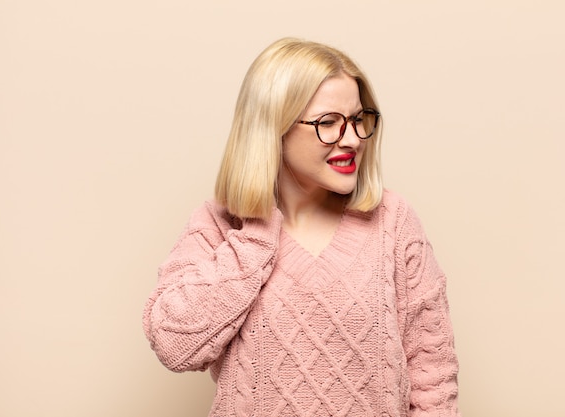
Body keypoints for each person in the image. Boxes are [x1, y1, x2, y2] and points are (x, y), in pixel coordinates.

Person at [143, 37, 460, 416]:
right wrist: (257, 234)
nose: (352, 139)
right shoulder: (219, 225)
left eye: (359, 120)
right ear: (272, 129)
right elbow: (174, 345)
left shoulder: (392, 221)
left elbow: (433, 376)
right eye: (328, 122)